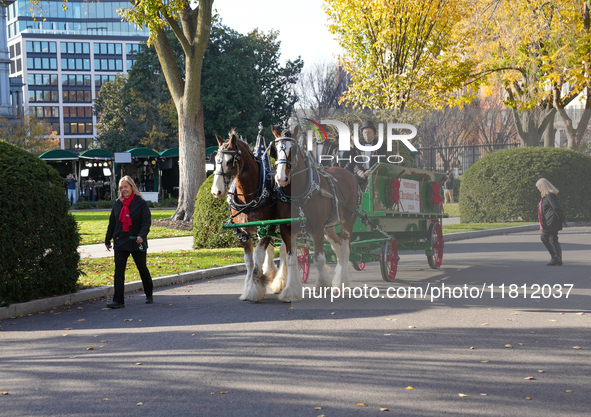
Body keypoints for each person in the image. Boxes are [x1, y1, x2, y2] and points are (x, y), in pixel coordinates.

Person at [104, 175, 154, 308]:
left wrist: (142, 236)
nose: (124, 190)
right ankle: (118, 301)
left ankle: (149, 294)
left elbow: (146, 222)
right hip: (121, 241)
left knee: (142, 268)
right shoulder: (117, 203)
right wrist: (108, 239)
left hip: (137, 241)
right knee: (119, 272)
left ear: (132, 187)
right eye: (121, 187)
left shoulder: (141, 203)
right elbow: (112, 223)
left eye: (126, 186)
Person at [536, 178, 566, 266]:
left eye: (539, 187)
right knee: (554, 239)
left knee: (544, 237)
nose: (538, 189)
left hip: (551, 222)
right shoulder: (547, 196)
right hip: (551, 221)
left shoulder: (550, 196)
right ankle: (558, 259)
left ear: (543, 186)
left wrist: (562, 220)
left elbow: (557, 208)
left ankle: (555, 257)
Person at [353, 120, 388, 190]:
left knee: (371, 183)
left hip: (375, 173)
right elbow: (355, 162)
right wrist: (359, 172)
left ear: (373, 133)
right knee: (351, 181)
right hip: (361, 173)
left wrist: (371, 171)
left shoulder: (381, 145)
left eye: (368, 132)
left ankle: (367, 200)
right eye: (365, 132)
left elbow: (381, 160)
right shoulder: (357, 146)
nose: (367, 134)